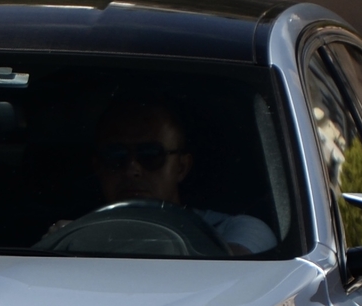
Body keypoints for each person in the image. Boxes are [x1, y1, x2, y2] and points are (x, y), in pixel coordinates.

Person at [81, 100, 275, 257]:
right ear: (98, 166)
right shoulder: (76, 235)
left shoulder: (236, 229)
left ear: (181, 167)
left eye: (151, 155)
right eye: (116, 156)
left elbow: (227, 275)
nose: (132, 170)